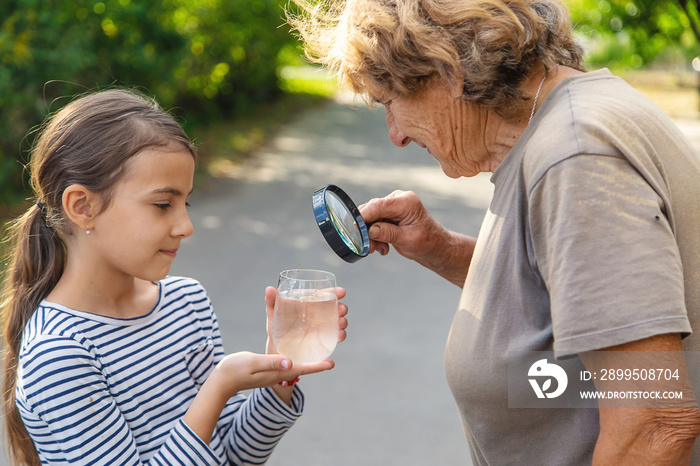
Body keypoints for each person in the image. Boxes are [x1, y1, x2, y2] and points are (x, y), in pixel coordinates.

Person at [288, 0, 700, 464]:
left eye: (390, 102)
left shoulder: (574, 156)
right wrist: (440, 249)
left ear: (447, 70)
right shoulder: (570, 123)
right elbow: (567, 300)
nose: (396, 135)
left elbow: (654, 421)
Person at [0, 89, 349, 465]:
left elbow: (233, 457)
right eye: (163, 204)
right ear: (82, 206)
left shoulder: (186, 302)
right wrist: (218, 388)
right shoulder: (61, 352)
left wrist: (279, 374)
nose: (185, 226)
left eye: (186, 203)